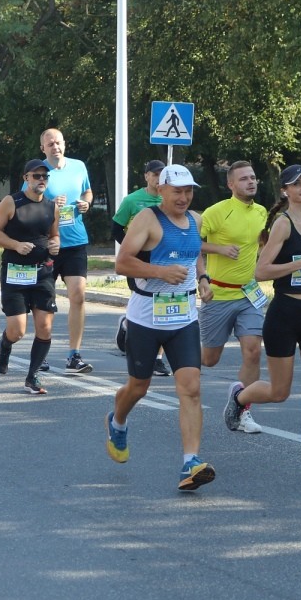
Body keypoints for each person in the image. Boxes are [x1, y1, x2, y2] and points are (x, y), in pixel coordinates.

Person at [223, 164, 301, 483]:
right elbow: (261, 271)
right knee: (280, 392)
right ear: (285, 191)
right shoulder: (282, 224)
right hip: (284, 314)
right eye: (297, 183)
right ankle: (239, 398)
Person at [105, 164, 214, 491]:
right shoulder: (148, 220)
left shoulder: (196, 220)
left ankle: (190, 463)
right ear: (162, 189)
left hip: (184, 317)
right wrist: (159, 272)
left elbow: (194, 255)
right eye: (177, 191)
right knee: (138, 387)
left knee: (191, 388)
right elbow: (122, 262)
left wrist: (204, 279)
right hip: (146, 316)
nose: (183, 197)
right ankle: (117, 421)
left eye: (188, 191)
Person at [199, 161, 269, 433]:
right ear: (230, 184)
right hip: (218, 294)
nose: (250, 182)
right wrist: (218, 248)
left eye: (253, 177)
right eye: (243, 179)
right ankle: (179, 340)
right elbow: (190, 241)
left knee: (253, 351)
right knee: (209, 359)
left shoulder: (262, 212)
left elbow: (262, 243)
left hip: (248, 294)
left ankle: (242, 409)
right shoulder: (217, 212)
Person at [0, 159, 61, 395]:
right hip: (15, 272)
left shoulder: (52, 206)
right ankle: (5, 344)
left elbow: (54, 236)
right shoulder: (12, 202)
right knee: (18, 330)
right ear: (26, 178)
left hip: (43, 272)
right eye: (36, 176)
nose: (41, 180)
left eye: (45, 177)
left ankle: (33, 375)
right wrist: (16, 245)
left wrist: (55, 245)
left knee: (45, 327)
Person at [33, 128, 94, 374]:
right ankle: (42, 352)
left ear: (64, 144)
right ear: (43, 148)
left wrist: (86, 202)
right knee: (46, 301)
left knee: (78, 295)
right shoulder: (39, 171)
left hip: (76, 241)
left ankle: (74, 355)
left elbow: (87, 191)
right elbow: (26, 201)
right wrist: (48, 204)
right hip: (47, 243)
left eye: (58, 142)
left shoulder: (79, 166)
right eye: (50, 144)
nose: (55, 147)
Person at [111, 159, 171, 376]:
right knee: (145, 301)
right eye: (154, 174)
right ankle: (128, 324)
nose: (157, 178)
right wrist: (132, 249)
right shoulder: (133, 200)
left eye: (161, 174)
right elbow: (116, 228)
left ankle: (157, 359)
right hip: (138, 261)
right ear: (146, 176)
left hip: (164, 259)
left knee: (163, 303)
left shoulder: (170, 198)